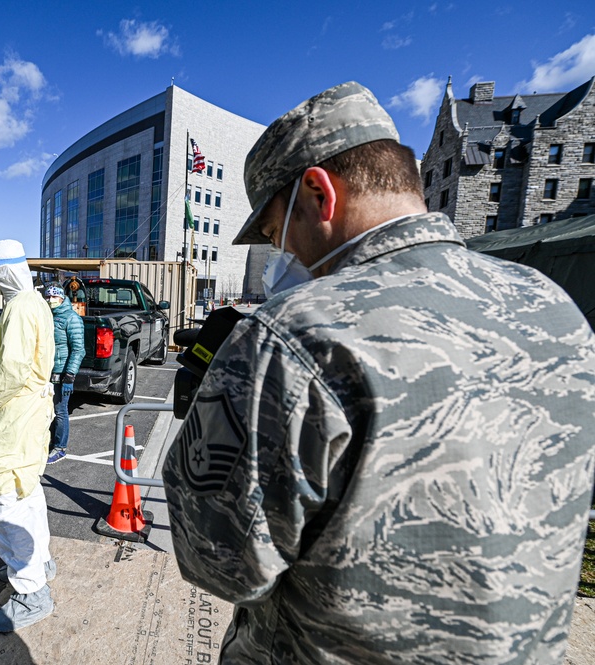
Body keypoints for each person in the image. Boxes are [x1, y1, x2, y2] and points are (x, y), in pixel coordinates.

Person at [162, 81, 595, 663]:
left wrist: (220, 405)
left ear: (318, 194)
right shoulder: (553, 305)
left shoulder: (295, 333)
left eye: (272, 232)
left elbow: (217, 559)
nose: (280, 252)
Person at [0, 239, 57, 632]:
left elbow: (12, 368)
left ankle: (31, 590)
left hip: (17, 412)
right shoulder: (34, 300)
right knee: (27, 489)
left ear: (4, 270)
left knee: (4, 499)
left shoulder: (21, 307)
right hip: (34, 409)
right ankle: (37, 562)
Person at [44, 284, 85, 464]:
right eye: (47, 297)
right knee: (47, 410)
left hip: (62, 374)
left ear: (61, 298)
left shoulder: (71, 319)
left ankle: (60, 448)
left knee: (61, 411)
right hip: (46, 372)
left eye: (54, 297)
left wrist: (70, 373)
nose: (50, 300)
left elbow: (78, 350)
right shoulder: (47, 317)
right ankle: (49, 442)